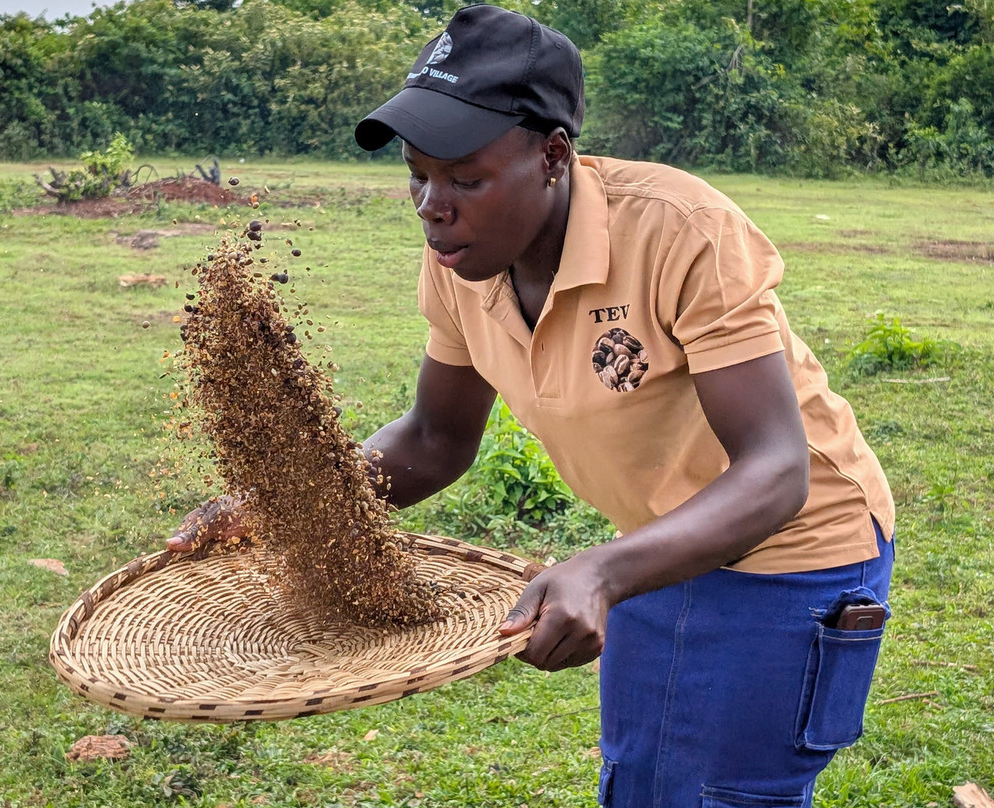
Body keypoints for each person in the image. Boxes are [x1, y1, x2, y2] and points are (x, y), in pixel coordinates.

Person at [169, 6, 895, 806]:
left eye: (466, 179)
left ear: (553, 155)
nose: (430, 205)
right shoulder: (459, 260)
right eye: (417, 173)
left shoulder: (680, 231)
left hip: (795, 556)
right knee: (641, 781)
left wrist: (603, 571)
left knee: (729, 792)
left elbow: (777, 469)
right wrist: (284, 503)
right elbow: (436, 438)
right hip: (658, 547)